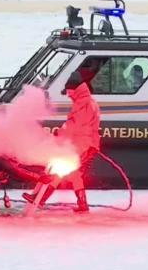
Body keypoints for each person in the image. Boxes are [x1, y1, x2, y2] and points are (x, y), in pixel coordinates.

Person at [22, 71, 101, 213]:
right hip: (86, 144)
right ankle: (82, 205)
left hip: (83, 144)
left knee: (60, 167)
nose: (68, 94)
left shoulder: (83, 103)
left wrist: (60, 132)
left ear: (75, 89)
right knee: (73, 173)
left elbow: (75, 124)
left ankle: (40, 199)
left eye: (69, 91)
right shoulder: (88, 101)